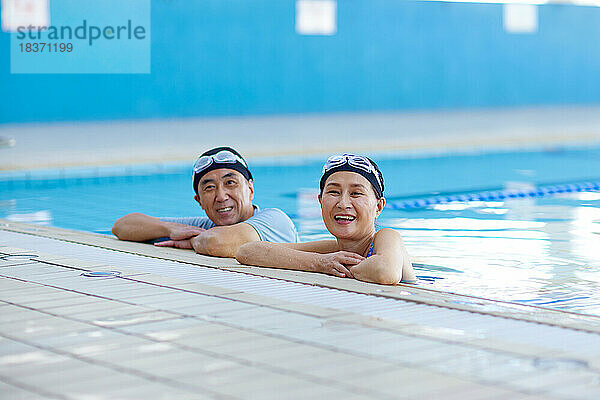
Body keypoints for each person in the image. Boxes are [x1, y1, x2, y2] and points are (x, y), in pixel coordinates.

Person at [236, 153, 416, 285]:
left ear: (378, 207)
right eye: (334, 192)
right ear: (321, 201)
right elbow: (247, 251)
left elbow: (384, 271)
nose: (343, 203)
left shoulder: (387, 237)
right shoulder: (333, 252)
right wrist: (320, 263)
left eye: (356, 193)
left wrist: (341, 267)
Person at [112, 146, 298, 257]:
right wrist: (169, 229)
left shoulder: (274, 220)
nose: (221, 196)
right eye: (210, 187)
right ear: (199, 200)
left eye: (230, 183)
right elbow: (122, 226)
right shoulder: (204, 226)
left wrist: (189, 241)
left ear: (250, 189)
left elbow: (216, 243)